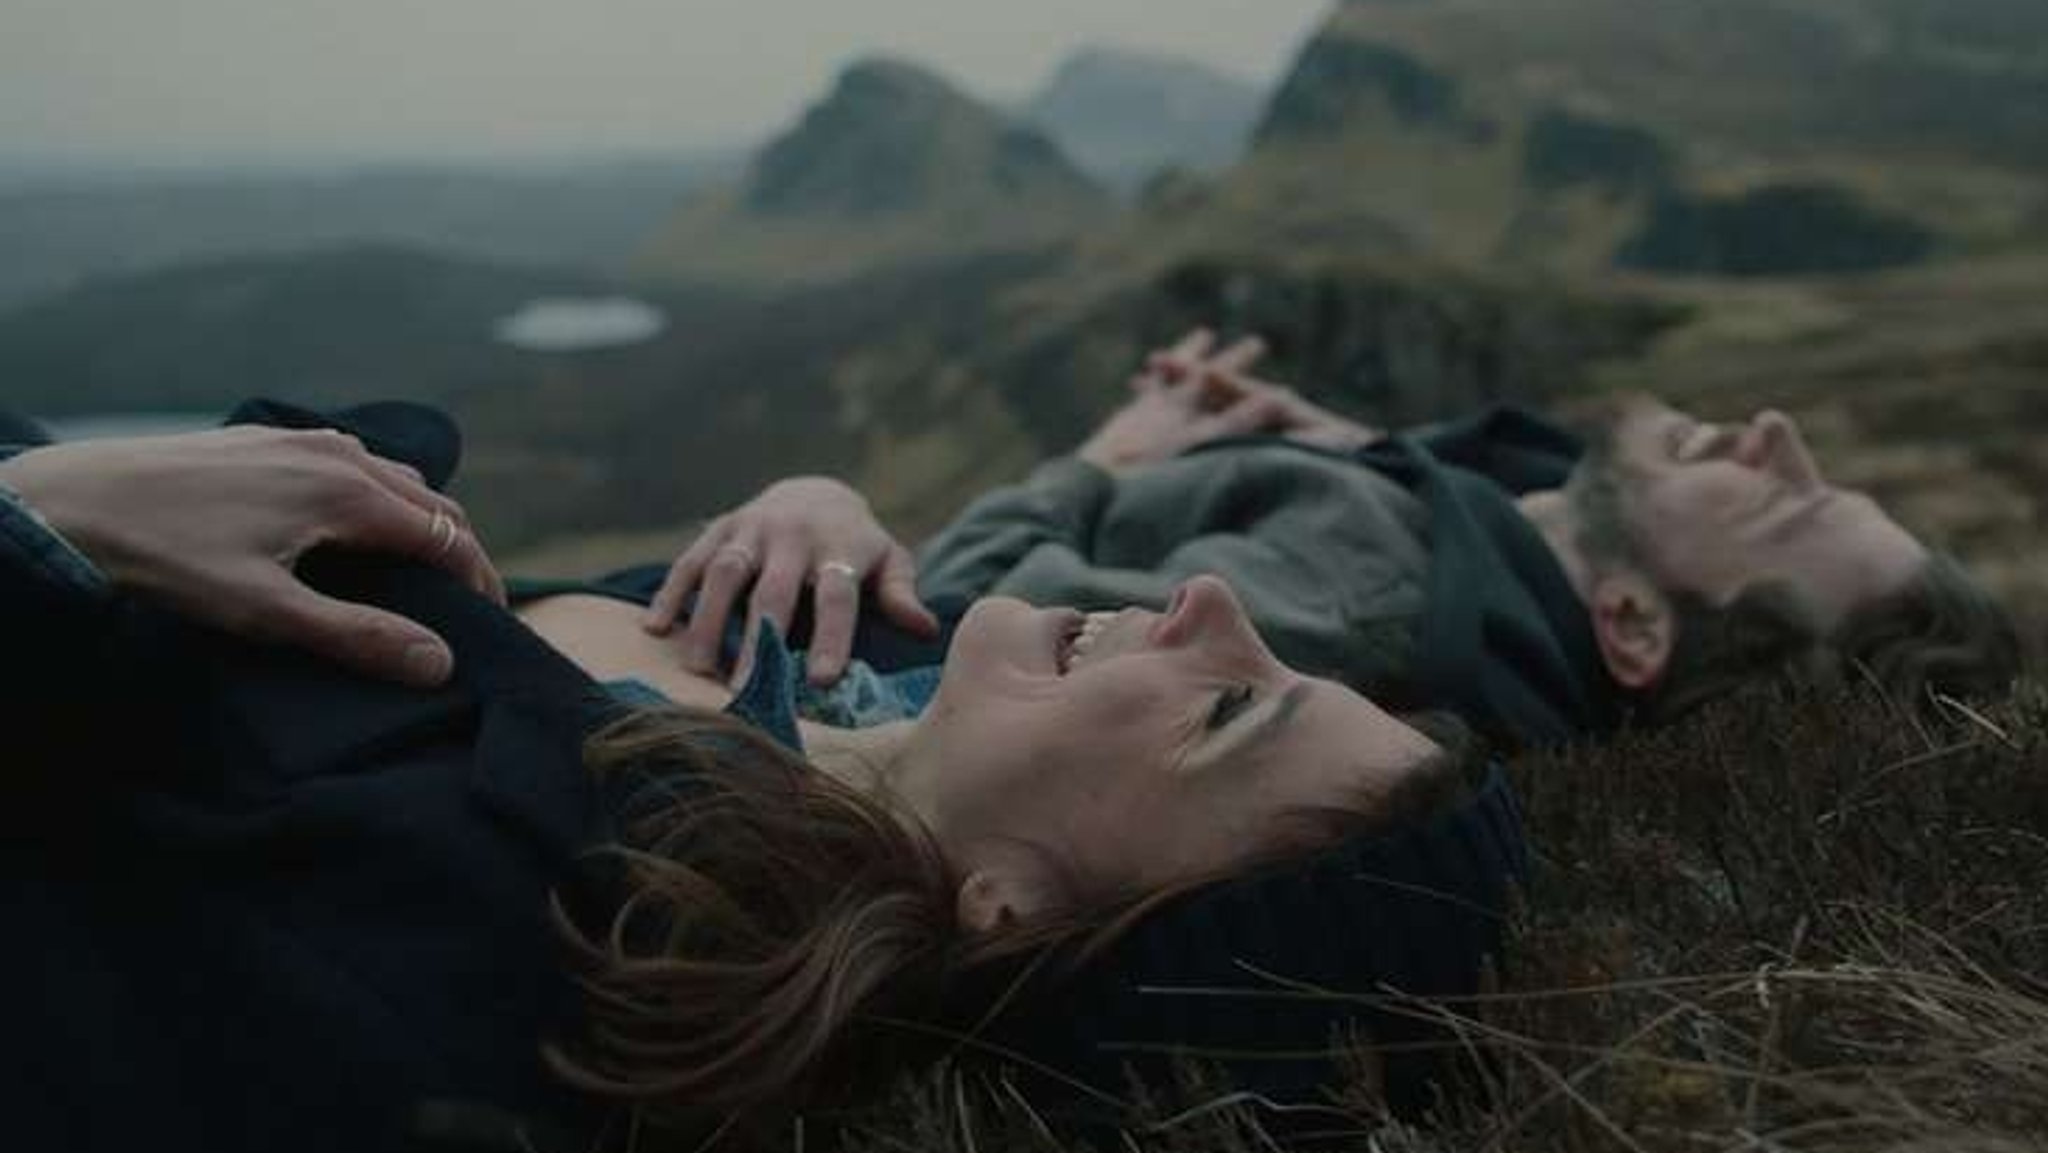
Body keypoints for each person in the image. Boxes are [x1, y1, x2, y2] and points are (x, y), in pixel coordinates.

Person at [0, 401, 1525, 1152]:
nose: (1210, 603)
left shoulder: (486, 963)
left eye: (1224, 714)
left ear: (1010, 912)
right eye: (1280, 658)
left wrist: (43, 519)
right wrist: (788, 520)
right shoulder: (852, 667)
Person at [671, 331, 2020, 749]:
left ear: (1631, 623)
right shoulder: (1470, 560)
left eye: (1786, 500)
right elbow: (1539, 503)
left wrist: (1116, 452)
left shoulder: (1348, 603)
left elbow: (950, 621)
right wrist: (1356, 453)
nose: (1779, 430)